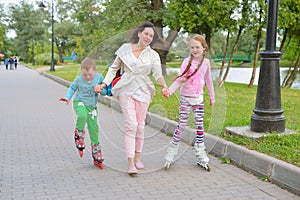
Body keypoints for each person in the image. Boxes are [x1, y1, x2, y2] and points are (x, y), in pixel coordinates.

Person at [94, 22, 168, 175]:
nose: (148, 37)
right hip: (126, 89)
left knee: (140, 125)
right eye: (146, 34)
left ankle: (138, 158)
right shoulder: (125, 49)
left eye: (151, 36)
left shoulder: (153, 55)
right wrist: (104, 83)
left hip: (143, 90)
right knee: (131, 125)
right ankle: (130, 163)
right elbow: (113, 68)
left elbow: (157, 75)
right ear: (139, 33)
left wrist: (164, 86)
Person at [162, 35, 215, 171]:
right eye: (192, 47)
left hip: (199, 99)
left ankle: (200, 152)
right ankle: (171, 152)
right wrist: (170, 91)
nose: (194, 49)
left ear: (204, 48)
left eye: (197, 47)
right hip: (185, 97)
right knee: (182, 125)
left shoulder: (206, 63)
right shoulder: (186, 61)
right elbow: (180, 79)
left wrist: (212, 97)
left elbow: (208, 81)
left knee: (199, 126)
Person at [59, 57, 105, 169]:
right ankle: (79, 134)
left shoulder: (99, 78)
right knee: (82, 115)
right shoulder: (79, 79)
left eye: (90, 74)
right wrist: (67, 97)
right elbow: (72, 88)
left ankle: (96, 151)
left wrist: (100, 90)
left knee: (94, 129)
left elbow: (104, 91)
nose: (88, 77)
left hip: (92, 107)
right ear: (81, 72)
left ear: (95, 70)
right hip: (79, 102)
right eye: (85, 75)